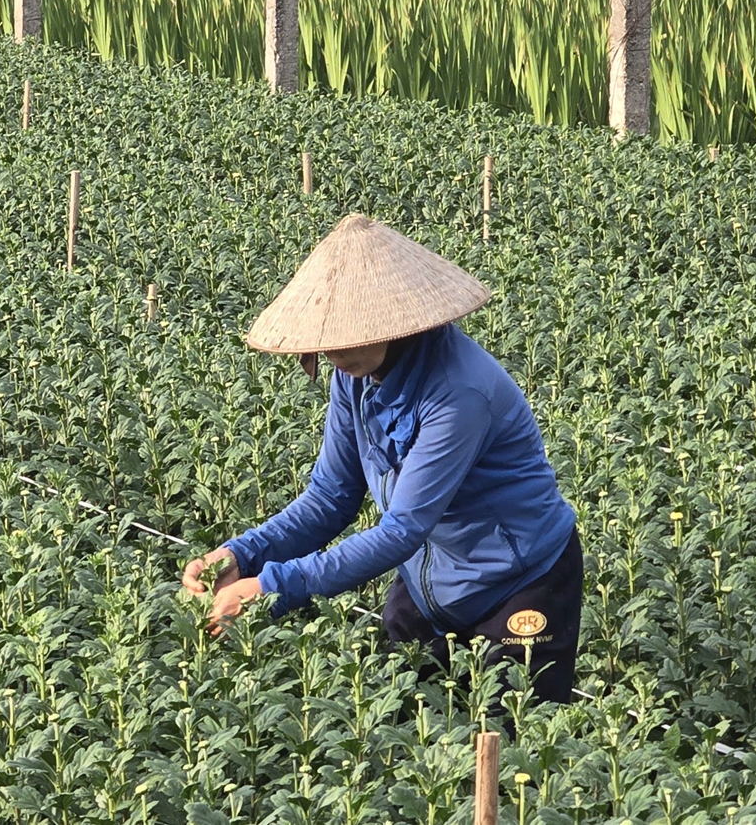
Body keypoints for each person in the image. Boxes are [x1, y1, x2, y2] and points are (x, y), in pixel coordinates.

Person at [180, 213, 582, 705]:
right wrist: (241, 555)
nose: (335, 352)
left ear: (394, 320)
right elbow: (331, 497)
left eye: (351, 334)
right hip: (428, 580)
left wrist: (273, 586)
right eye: (328, 338)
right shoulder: (354, 376)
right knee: (401, 733)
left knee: (514, 738)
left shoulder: (459, 393)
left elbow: (402, 529)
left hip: (520, 583)